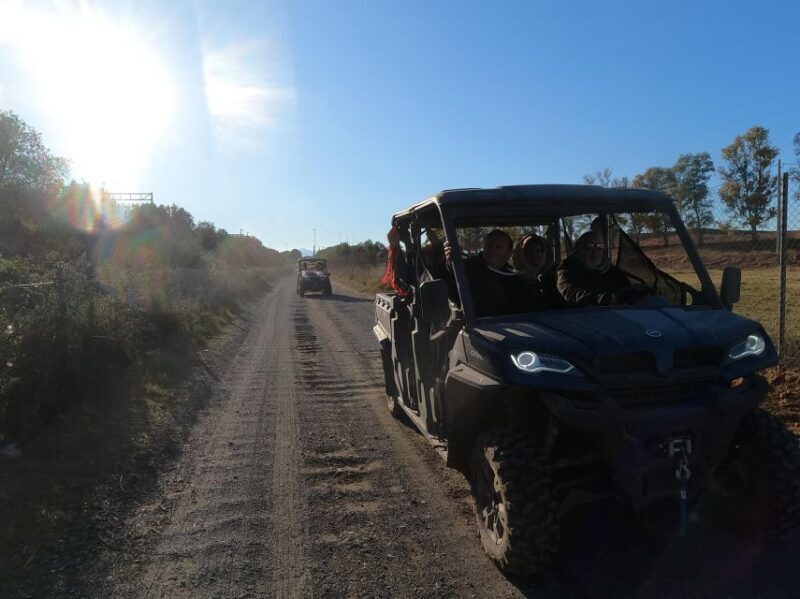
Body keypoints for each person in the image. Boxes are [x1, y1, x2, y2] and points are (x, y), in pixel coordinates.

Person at [444, 229, 539, 317]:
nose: (493, 250)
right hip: (477, 329)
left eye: (498, 247)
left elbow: (524, 311)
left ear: (508, 253)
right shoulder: (467, 269)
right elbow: (450, 286)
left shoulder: (515, 279)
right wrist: (451, 263)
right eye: (489, 245)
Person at [557, 229, 631, 306]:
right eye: (590, 247)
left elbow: (627, 290)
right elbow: (570, 293)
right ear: (579, 249)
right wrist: (603, 299)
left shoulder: (613, 271)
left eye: (600, 246)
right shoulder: (567, 270)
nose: (595, 251)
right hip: (580, 315)